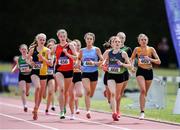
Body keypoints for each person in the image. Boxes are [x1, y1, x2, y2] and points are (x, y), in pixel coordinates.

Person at [130, 33, 161, 119]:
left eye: (145, 40)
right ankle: (142, 112)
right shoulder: (137, 49)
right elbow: (131, 59)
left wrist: (150, 59)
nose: (143, 41)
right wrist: (132, 67)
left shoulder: (151, 49)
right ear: (139, 41)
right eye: (142, 40)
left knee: (145, 93)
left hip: (149, 71)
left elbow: (159, 61)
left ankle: (142, 103)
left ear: (147, 41)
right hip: (140, 71)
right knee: (143, 90)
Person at [103, 36, 131, 121]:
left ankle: (115, 108)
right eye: (115, 42)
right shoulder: (109, 52)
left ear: (121, 43)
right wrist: (104, 65)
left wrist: (122, 64)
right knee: (113, 93)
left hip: (120, 76)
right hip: (110, 75)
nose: (117, 43)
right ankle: (114, 113)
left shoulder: (123, 53)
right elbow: (104, 61)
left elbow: (129, 65)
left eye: (119, 42)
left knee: (117, 96)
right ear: (112, 43)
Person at [78, 32, 103, 119]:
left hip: (94, 73)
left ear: (93, 40)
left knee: (91, 93)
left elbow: (102, 61)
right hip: (85, 73)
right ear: (85, 40)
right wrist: (79, 66)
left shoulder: (96, 50)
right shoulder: (82, 50)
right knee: (87, 91)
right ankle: (88, 110)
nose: (89, 40)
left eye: (90, 39)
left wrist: (94, 63)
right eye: (87, 39)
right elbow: (78, 59)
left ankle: (88, 101)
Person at [53, 29, 77, 119]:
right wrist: (50, 59)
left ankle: (64, 107)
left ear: (66, 37)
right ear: (58, 37)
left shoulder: (70, 45)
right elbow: (50, 55)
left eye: (64, 36)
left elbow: (76, 57)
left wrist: (67, 53)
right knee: (62, 89)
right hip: (59, 70)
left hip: (69, 71)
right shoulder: (56, 47)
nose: (62, 38)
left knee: (66, 91)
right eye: (61, 36)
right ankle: (62, 111)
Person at [28, 33, 51, 120]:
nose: (42, 41)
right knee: (37, 87)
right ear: (37, 40)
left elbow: (50, 63)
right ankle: (35, 107)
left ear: (45, 41)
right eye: (40, 39)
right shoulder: (32, 49)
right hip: (35, 72)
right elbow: (27, 58)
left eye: (43, 40)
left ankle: (36, 109)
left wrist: (42, 58)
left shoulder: (47, 50)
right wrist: (31, 63)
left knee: (41, 93)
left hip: (44, 73)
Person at [12, 44, 32, 112]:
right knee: (23, 91)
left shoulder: (30, 57)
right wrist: (13, 69)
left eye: (25, 49)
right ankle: (25, 105)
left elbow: (33, 67)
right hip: (22, 75)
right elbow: (17, 65)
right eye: (22, 49)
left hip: (28, 75)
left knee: (27, 92)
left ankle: (27, 93)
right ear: (20, 50)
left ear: (27, 50)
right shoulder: (18, 58)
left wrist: (29, 70)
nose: (24, 50)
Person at [116, 32, 132, 118]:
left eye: (123, 38)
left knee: (120, 93)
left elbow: (130, 61)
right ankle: (111, 99)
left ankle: (117, 110)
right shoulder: (112, 48)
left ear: (125, 39)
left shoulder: (127, 49)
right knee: (113, 93)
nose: (121, 39)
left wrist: (128, 66)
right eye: (119, 37)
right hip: (112, 73)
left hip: (124, 72)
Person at [45, 38, 57, 115]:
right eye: (49, 47)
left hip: (51, 75)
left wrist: (55, 72)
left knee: (51, 91)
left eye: (52, 48)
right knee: (43, 95)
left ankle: (48, 108)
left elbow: (55, 65)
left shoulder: (55, 56)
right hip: (43, 75)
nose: (50, 49)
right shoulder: (44, 55)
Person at [72, 39, 83, 115]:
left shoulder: (82, 54)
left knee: (79, 94)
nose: (77, 46)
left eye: (78, 45)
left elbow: (84, 64)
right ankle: (76, 108)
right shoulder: (70, 54)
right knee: (71, 93)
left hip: (78, 74)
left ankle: (76, 107)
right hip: (70, 75)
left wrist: (81, 67)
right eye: (75, 45)